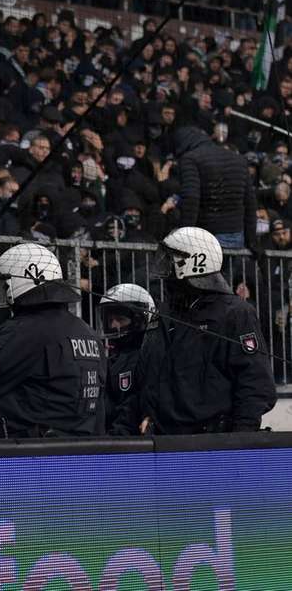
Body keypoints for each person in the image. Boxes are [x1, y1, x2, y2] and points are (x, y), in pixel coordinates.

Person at [127, 227, 276, 434]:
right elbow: (150, 372)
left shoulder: (235, 313)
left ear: (194, 262)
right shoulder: (165, 313)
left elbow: (255, 383)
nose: (166, 268)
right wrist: (147, 412)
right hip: (165, 439)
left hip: (213, 441)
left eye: (172, 260)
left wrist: (242, 438)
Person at [0, 243, 106, 438]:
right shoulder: (88, 332)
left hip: (35, 455)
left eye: (4, 283)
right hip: (87, 453)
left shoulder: (23, 330)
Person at [174, 127, 256, 251]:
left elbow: (191, 199)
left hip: (205, 237)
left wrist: (184, 238)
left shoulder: (190, 159)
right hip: (235, 237)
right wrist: (252, 241)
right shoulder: (239, 159)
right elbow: (250, 202)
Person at [96, 284, 156, 435]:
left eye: (120, 319)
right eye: (110, 320)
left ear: (140, 319)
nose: (113, 325)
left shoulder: (146, 359)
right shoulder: (112, 360)